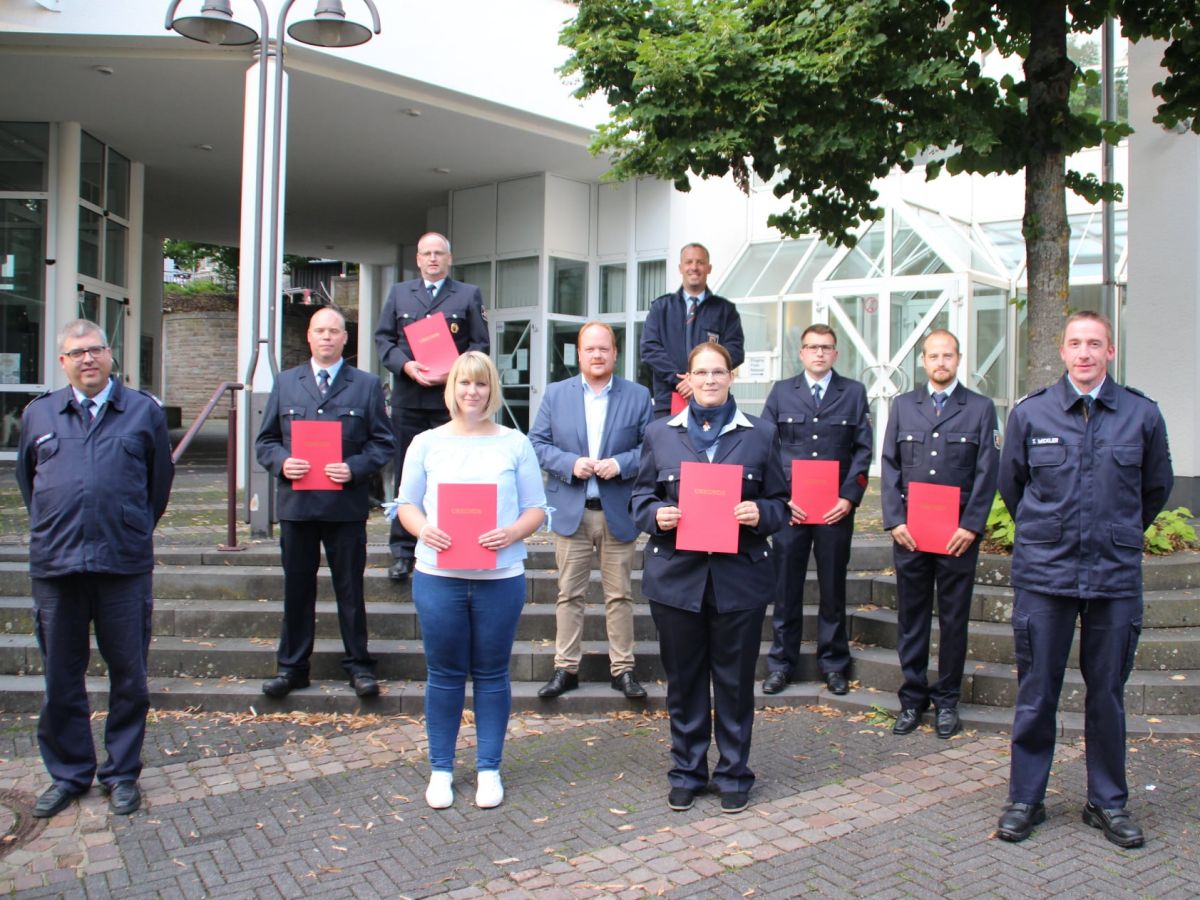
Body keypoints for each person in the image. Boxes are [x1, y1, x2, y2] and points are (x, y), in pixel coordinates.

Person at [995, 311, 1173, 847]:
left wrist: (1114, 532)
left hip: (1114, 577)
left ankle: (1108, 802)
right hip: (1045, 575)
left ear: (1110, 352)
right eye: (1076, 343)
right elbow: (1013, 486)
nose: (1085, 353)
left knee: (1108, 696)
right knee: (1036, 693)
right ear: (1062, 351)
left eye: (1095, 343)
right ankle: (1026, 799)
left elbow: (1156, 489)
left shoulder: (1141, 414)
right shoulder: (1032, 414)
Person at [15, 319, 174, 818]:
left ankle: (122, 773)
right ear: (62, 362)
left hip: (122, 567)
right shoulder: (38, 416)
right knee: (62, 676)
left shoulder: (142, 413)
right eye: (76, 352)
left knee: (128, 676)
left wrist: (127, 527)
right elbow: (29, 484)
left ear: (110, 356)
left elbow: (158, 486)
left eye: (96, 350)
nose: (88, 359)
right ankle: (69, 774)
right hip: (57, 567)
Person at [631, 341, 789, 814]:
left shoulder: (761, 434)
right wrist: (656, 514)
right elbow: (640, 497)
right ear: (688, 379)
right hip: (677, 579)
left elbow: (781, 503)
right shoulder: (660, 433)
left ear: (731, 377)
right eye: (701, 372)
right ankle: (687, 770)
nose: (710, 380)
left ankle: (735, 772)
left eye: (718, 372)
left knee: (736, 682)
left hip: (738, 578)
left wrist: (757, 512)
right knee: (684, 681)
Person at [395, 351, 547, 810]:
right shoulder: (425, 442)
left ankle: (488, 768)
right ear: (452, 388)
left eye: (481, 384)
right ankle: (441, 768)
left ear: (491, 390)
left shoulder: (514, 443)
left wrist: (512, 532)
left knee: (491, 673)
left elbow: (536, 509)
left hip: (499, 577)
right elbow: (406, 504)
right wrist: (424, 529)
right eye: (464, 383)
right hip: (438, 576)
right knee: (443, 674)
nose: (472, 392)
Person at [255, 306, 394, 699]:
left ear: (345, 338)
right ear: (309, 337)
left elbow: (384, 443)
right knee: (297, 590)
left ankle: (359, 666)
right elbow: (264, 442)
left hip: (344, 508)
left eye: (335, 331)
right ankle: (292, 668)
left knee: (350, 589)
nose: (327, 337)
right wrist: (283, 462)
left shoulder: (366, 385)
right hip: (297, 507)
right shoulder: (285, 383)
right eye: (320, 331)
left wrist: (354, 468)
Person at [880, 330, 999, 739]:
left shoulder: (980, 409)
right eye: (933, 356)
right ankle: (912, 699)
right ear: (923, 361)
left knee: (953, 620)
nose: (941, 363)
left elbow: (987, 471)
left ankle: (947, 700)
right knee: (912, 619)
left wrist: (972, 525)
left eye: (948, 356)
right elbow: (890, 465)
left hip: (956, 537)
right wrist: (895, 521)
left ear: (958, 359)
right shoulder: (902, 406)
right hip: (911, 534)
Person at [528, 322, 653, 700]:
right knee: (569, 594)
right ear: (578, 354)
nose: (597, 355)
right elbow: (536, 443)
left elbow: (651, 447)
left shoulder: (638, 395)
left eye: (604, 348)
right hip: (572, 509)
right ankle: (565, 669)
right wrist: (568, 462)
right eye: (589, 349)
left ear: (615, 353)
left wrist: (622, 464)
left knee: (620, 596)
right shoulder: (555, 394)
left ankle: (623, 670)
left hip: (618, 509)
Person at [760, 324, 872, 696]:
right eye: (812, 347)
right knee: (785, 588)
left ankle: (834, 664)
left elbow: (862, 450)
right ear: (802, 353)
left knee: (832, 588)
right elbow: (766, 446)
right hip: (791, 508)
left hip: (833, 510)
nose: (819, 353)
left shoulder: (853, 393)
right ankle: (781, 664)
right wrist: (778, 496)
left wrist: (849, 497)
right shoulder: (781, 392)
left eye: (826, 347)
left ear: (835, 354)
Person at [376, 232, 489, 581]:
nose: (433, 259)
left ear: (450, 258)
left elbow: (479, 344)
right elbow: (384, 339)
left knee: (454, 472)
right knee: (407, 475)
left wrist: (455, 374)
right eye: (426, 253)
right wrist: (406, 366)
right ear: (418, 259)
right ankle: (402, 551)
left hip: (450, 402)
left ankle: (457, 538)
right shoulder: (399, 293)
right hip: (410, 398)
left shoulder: (468, 294)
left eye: (439, 253)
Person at [640, 243, 745, 418]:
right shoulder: (661, 308)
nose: (694, 267)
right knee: (670, 445)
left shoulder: (725, 310)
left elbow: (735, 351)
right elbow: (649, 349)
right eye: (689, 262)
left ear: (709, 268)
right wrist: (681, 379)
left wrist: (699, 380)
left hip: (712, 399)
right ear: (680, 268)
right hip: (669, 399)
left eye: (700, 262)